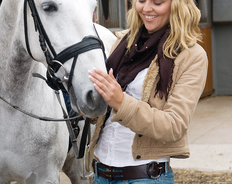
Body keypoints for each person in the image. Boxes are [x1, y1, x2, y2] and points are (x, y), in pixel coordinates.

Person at [88, 0, 208, 183]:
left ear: (177, 5)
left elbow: (174, 125)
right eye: (141, 1)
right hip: (100, 173)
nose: (146, 8)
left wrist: (121, 101)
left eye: (157, 2)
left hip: (145, 177)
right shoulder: (123, 42)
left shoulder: (192, 55)